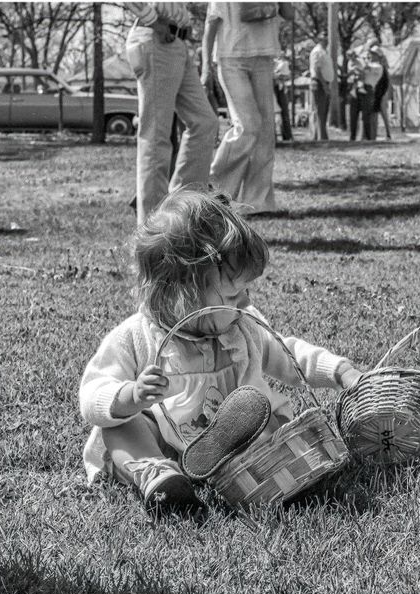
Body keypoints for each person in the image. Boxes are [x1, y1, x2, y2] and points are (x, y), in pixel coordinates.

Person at [80, 187, 363, 515]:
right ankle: (159, 477)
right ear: (181, 293)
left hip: (243, 447)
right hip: (171, 449)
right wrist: (131, 395)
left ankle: (263, 465)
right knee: (120, 425)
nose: (245, 302)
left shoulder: (242, 326)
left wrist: (340, 371)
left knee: (265, 415)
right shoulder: (137, 337)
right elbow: (93, 393)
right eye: (232, 295)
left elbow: (289, 354)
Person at [124, 3, 219, 226]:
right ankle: (153, 226)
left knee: (205, 122)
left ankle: (181, 208)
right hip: (155, 38)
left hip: (176, 42)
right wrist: (154, 21)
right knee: (156, 134)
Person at [202, 3, 293, 216]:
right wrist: (206, 66)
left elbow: (289, 13)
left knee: (265, 133)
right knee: (248, 125)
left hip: (264, 58)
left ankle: (258, 203)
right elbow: (211, 24)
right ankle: (216, 191)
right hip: (231, 58)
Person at [309, 32, 333, 141]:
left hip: (324, 83)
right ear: (319, 39)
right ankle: (319, 136)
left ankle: (322, 135)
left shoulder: (324, 51)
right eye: (324, 38)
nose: (327, 40)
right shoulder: (317, 51)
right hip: (319, 82)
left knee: (323, 110)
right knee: (319, 110)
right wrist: (324, 85)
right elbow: (317, 70)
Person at [368, 44, 392, 141]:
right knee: (374, 114)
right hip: (375, 93)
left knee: (383, 114)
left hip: (381, 93)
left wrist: (384, 94)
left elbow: (386, 82)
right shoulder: (372, 66)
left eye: (373, 54)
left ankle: (388, 133)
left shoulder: (381, 68)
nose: (371, 56)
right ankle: (373, 133)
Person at [273, 52, 294, 142]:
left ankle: (287, 134)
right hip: (274, 87)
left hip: (279, 87)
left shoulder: (283, 63)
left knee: (284, 112)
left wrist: (279, 76)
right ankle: (281, 134)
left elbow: (286, 75)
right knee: (277, 112)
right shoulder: (274, 62)